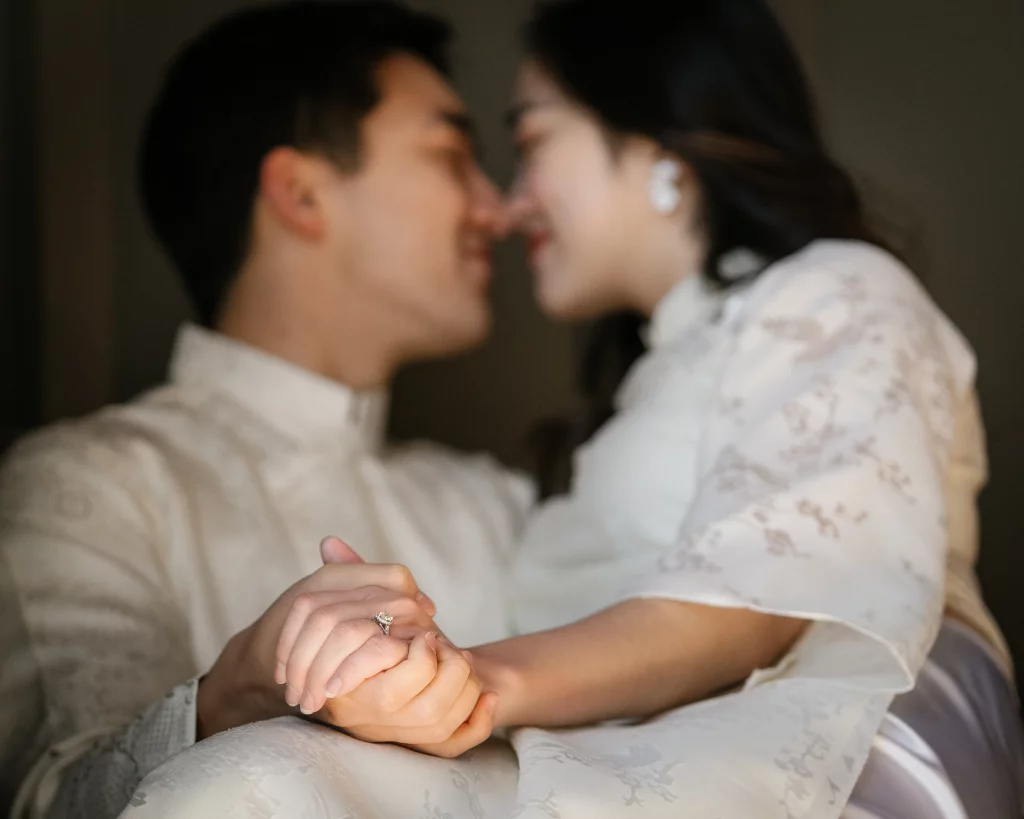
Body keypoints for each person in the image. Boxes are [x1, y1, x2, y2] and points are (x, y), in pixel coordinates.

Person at [120, 1, 1023, 818]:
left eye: (531, 144)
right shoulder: (616, 419)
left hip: (828, 766)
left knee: (250, 785)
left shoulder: (839, 291)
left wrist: (474, 682)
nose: (509, 206)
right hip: (607, 757)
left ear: (658, 140)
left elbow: (747, 601)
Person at [0, 3, 532, 817]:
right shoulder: (89, 485)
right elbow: (52, 798)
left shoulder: (495, 501)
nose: (498, 211)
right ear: (300, 192)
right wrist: (238, 689)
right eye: (453, 156)